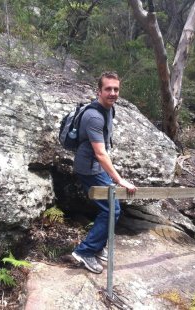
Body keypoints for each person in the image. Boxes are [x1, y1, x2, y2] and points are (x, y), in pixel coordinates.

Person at [72, 71, 137, 274]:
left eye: (116, 89)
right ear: (99, 91)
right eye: (108, 89)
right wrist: (119, 180)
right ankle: (85, 251)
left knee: (109, 208)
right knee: (112, 209)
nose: (112, 93)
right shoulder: (93, 116)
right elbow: (100, 153)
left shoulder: (109, 109)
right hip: (89, 168)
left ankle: (96, 247)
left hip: (96, 166)